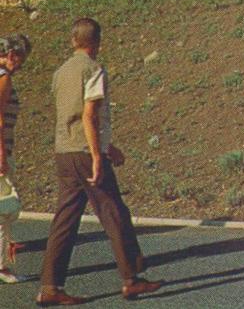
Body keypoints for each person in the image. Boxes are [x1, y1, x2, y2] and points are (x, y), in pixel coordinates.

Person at [37, 18, 162, 306]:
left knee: (64, 220)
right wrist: (97, 155)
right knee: (114, 212)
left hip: (64, 152)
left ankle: (49, 286)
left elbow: (70, 116)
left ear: (73, 41)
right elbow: (88, 115)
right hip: (85, 152)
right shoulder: (94, 70)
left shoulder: (60, 73)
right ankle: (132, 280)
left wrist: (109, 147)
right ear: (97, 43)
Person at [0, 34, 30, 284]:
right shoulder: (4, 77)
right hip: (0, 149)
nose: (21, 66)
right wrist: (1, 153)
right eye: (21, 60)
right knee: (4, 209)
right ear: (12, 55)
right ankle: (2, 266)